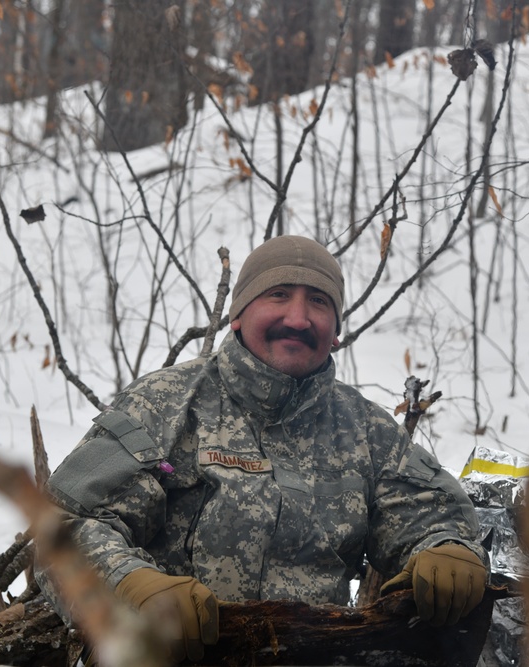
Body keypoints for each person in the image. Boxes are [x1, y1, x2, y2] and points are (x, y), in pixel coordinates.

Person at [39, 235, 487, 663]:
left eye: (318, 301)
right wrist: (131, 582)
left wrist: (447, 548)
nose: (298, 318)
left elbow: (431, 516)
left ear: (335, 332)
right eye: (278, 295)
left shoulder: (366, 430)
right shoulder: (164, 403)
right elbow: (66, 528)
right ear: (237, 315)